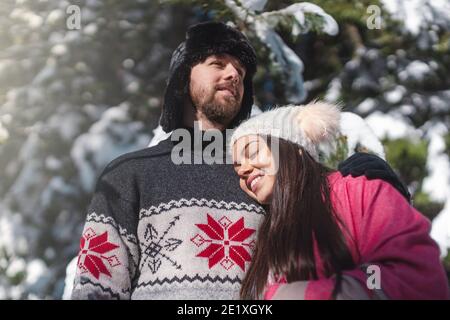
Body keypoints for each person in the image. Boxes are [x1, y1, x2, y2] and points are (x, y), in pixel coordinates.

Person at [71, 21, 411, 300]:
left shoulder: (266, 171)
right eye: (217, 63)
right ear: (182, 78)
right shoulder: (130, 174)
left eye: (241, 72)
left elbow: (346, 219)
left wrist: (378, 187)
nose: (234, 74)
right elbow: (95, 289)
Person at [230, 101, 450, 300]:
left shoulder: (358, 191)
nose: (244, 170)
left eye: (253, 152)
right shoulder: (268, 233)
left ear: (294, 149)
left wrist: (304, 295)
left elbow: (417, 277)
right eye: (237, 167)